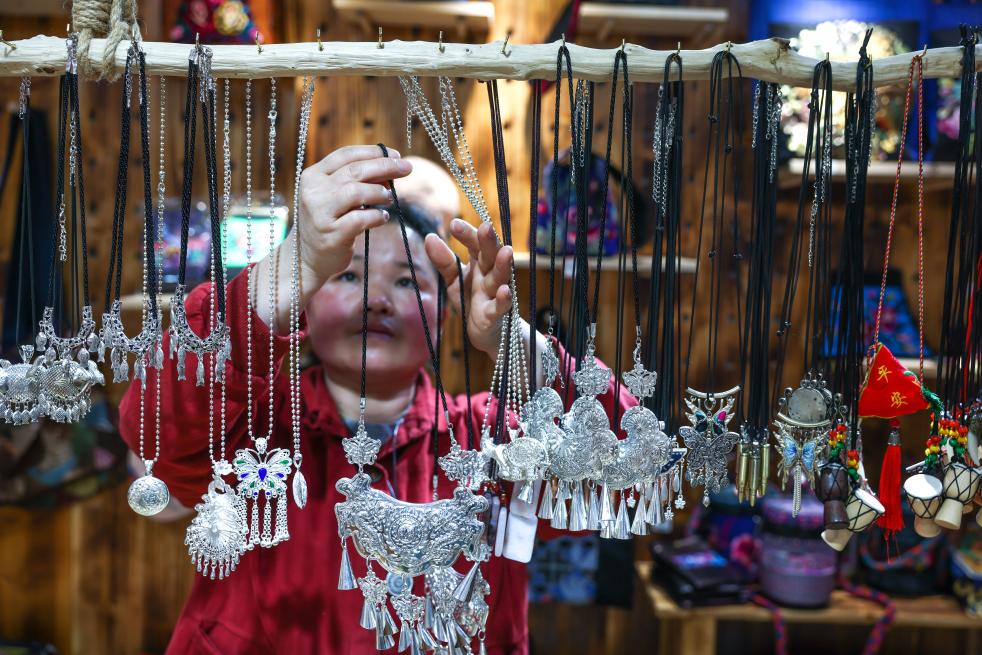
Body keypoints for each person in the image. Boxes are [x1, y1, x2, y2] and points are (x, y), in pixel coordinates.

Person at [118, 145, 632, 654]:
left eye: (408, 281)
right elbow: (155, 430)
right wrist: (291, 265)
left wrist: (514, 343)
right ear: (306, 299)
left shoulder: (493, 441)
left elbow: (627, 471)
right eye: (347, 275)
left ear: (444, 314)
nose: (376, 300)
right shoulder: (250, 428)